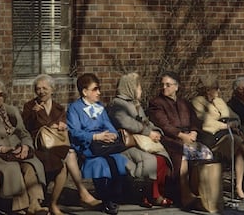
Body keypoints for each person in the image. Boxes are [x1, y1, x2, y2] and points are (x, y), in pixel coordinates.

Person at [22, 74, 101, 215]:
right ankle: (81, 193)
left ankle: (55, 203)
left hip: (56, 144)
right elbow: (27, 128)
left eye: (45, 88)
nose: (41, 92)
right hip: (40, 147)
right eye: (38, 89)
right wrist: (37, 115)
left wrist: (63, 126)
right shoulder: (30, 107)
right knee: (67, 158)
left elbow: (63, 128)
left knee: (69, 154)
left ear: (52, 89)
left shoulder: (59, 108)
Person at [0, 76, 49, 215]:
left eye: (0, 95)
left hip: (17, 150)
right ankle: (20, 207)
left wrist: (26, 147)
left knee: (31, 165)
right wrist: (0, 148)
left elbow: (24, 133)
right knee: (13, 167)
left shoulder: (11, 110)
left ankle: (35, 204)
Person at [147, 71, 214, 209]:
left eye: (168, 85)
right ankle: (185, 196)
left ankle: (198, 192)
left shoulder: (185, 103)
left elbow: (195, 120)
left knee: (205, 153)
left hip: (189, 137)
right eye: (163, 85)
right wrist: (183, 136)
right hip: (170, 140)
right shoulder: (156, 103)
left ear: (176, 87)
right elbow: (164, 125)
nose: (164, 87)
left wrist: (194, 132)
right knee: (182, 154)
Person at [106, 72, 173, 208]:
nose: (140, 90)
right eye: (138, 87)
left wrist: (156, 131)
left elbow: (146, 122)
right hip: (127, 144)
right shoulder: (117, 104)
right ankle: (149, 195)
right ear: (130, 87)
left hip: (141, 142)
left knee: (162, 158)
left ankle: (155, 193)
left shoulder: (136, 104)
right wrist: (148, 132)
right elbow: (127, 123)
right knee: (154, 159)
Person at [67, 73, 128, 215]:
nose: (99, 92)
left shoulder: (99, 106)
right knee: (100, 163)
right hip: (87, 146)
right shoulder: (74, 108)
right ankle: (106, 199)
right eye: (95, 89)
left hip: (104, 145)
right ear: (84, 92)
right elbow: (75, 132)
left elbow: (108, 124)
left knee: (118, 160)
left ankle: (114, 196)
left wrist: (112, 134)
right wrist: (95, 136)